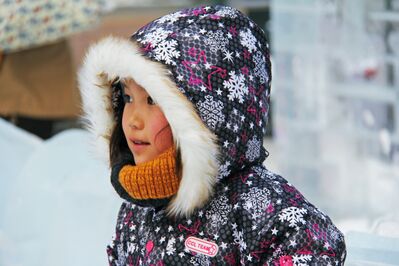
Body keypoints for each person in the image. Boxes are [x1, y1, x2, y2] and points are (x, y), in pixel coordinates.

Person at [78, 5, 346, 265]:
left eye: (151, 100)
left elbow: (311, 246)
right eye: (127, 97)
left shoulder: (262, 211)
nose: (133, 120)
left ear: (205, 118)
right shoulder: (138, 206)